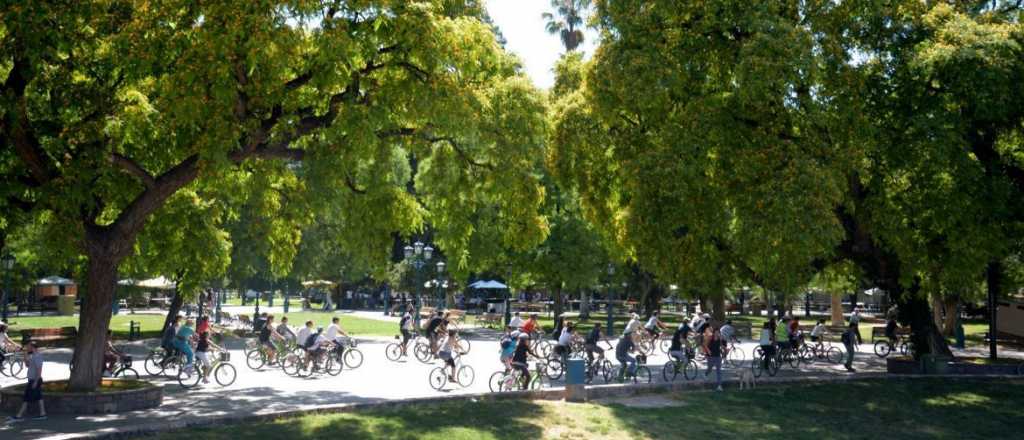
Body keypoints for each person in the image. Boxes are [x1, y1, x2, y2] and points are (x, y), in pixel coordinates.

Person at [9, 341, 46, 422]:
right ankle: (43, 414)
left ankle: (19, 416)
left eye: (28, 347)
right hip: (32, 380)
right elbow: (27, 365)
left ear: (33, 348)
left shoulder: (38, 356)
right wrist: (25, 357)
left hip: (34, 380)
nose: (27, 348)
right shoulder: (33, 356)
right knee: (39, 397)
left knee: (26, 398)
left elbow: (39, 371)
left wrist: (36, 382)